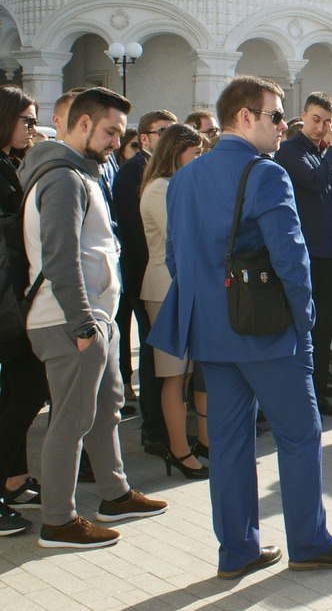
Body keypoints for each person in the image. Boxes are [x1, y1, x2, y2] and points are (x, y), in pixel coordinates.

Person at [147, 75, 332, 577]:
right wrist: (304, 322)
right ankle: (308, 543)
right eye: (275, 116)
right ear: (245, 116)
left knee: (226, 447)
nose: (281, 126)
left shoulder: (183, 178)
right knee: (299, 436)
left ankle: (237, 552)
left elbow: (177, 260)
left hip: (211, 333)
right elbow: (292, 259)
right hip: (268, 332)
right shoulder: (264, 173)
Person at [23, 87, 168, 549]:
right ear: (82, 123)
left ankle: (115, 492)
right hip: (71, 322)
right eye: (110, 131)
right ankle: (59, 521)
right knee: (71, 420)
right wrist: (85, 324)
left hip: (90, 320)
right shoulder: (63, 177)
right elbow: (61, 257)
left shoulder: (78, 172)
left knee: (105, 409)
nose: (114, 142)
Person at [139, 124, 208, 480]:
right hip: (165, 290)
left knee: (193, 373)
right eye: (195, 153)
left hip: (186, 288)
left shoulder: (177, 185)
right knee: (173, 375)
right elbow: (184, 236)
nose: (200, 160)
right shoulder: (158, 189)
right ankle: (179, 450)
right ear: (175, 151)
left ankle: (202, 444)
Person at [273, 91, 332, 417]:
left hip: (330, 251)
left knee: (326, 323)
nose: (321, 127)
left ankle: (319, 382)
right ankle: (310, 396)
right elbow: (316, 184)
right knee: (310, 327)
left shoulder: (321, 153)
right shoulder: (290, 151)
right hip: (308, 254)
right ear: (303, 115)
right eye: (316, 119)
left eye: (328, 122)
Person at [113, 109, 177, 457]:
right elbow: (136, 234)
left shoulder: (161, 172)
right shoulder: (133, 172)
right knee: (155, 361)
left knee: (165, 362)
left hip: (157, 277)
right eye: (162, 131)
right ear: (145, 138)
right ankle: (155, 429)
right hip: (145, 278)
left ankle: (166, 426)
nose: (169, 136)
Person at [0, 85, 49, 536]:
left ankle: (13, 480)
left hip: (18, 300)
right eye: (27, 121)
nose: (34, 130)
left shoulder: (11, 165)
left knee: (19, 393)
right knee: (27, 393)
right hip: (9, 304)